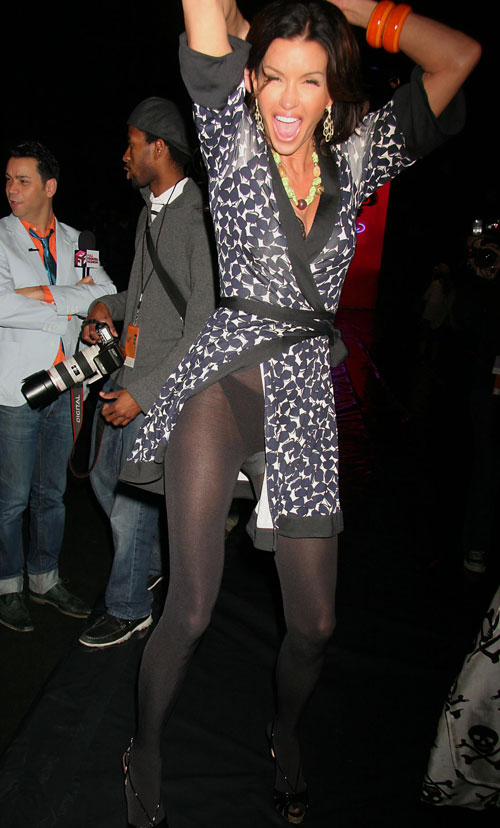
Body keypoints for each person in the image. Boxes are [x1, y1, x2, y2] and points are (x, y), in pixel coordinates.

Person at [120, 1, 481, 825]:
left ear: (331, 91)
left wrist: (362, 10)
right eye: (274, 76)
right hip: (223, 383)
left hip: (304, 397)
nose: (288, 98)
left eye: (310, 81)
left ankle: (285, 732)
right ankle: (145, 748)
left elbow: (458, 57)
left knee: (315, 623)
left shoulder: (357, 158)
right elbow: (206, 13)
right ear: (251, 79)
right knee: (193, 605)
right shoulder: (231, 136)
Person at [77, 98, 217, 649]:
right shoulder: (149, 211)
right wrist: (107, 304)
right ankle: (149, 565)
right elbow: (142, 297)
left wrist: (146, 393)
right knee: (105, 481)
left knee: (132, 503)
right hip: (129, 372)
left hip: (159, 387)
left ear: (158, 148)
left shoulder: (200, 219)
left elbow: (202, 329)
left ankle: (128, 606)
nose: (125, 154)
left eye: (132, 143)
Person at [0, 140, 116, 633]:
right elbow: (2, 306)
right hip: (17, 389)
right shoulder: (1, 237)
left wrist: (42, 294)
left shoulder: (79, 241)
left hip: (69, 386)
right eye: (8, 180)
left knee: (52, 493)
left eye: (22, 181)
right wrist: (70, 304)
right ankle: (7, 585)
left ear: (50, 187)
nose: (11, 190)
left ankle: (44, 579)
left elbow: (106, 292)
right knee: (11, 500)